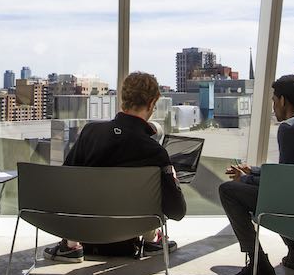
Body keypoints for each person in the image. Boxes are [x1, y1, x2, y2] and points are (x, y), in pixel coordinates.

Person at [43, 71, 188, 263]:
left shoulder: (90, 133)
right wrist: (172, 179)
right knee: (153, 190)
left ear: (123, 99)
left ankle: (70, 245)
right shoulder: (155, 152)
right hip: (128, 234)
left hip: (86, 233)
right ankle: (152, 240)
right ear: (151, 103)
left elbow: (65, 181)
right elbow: (177, 211)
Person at [218, 74, 294, 275]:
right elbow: (293, 173)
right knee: (265, 190)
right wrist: (253, 172)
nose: (273, 107)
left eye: (274, 101)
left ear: (282, 100)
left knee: (228, 190)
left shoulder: (289, 128)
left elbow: (283, 184)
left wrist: (246, 179)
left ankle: (258, 263)